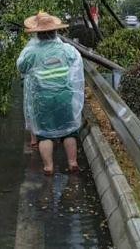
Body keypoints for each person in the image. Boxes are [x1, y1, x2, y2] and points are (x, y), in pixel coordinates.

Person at [17, 11, 84, 176]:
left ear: (37, 34)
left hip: (42, 98)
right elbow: (76, 66)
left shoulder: (31, 53)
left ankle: (48, 167)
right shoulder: (67, 50)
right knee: (69, 130)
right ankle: (72, 162)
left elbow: (21, 68)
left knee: (44, 134)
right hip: (64, 95)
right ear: (56, 31)